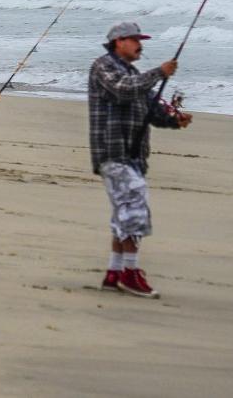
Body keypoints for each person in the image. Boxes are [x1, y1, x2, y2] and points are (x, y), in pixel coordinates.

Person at [88, 21, 192, 299]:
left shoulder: (133, 74)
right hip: (113, 150)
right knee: (134, 209)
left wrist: (174, 120)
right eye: (134, 40)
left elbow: (152, 111)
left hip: (134, 155)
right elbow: (122, 90)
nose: (140, 45)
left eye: (140, 40)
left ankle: (114, 272)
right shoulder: (103, 67)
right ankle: (130, 274)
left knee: (124, 212)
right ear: (118, 41)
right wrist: (159, 72)